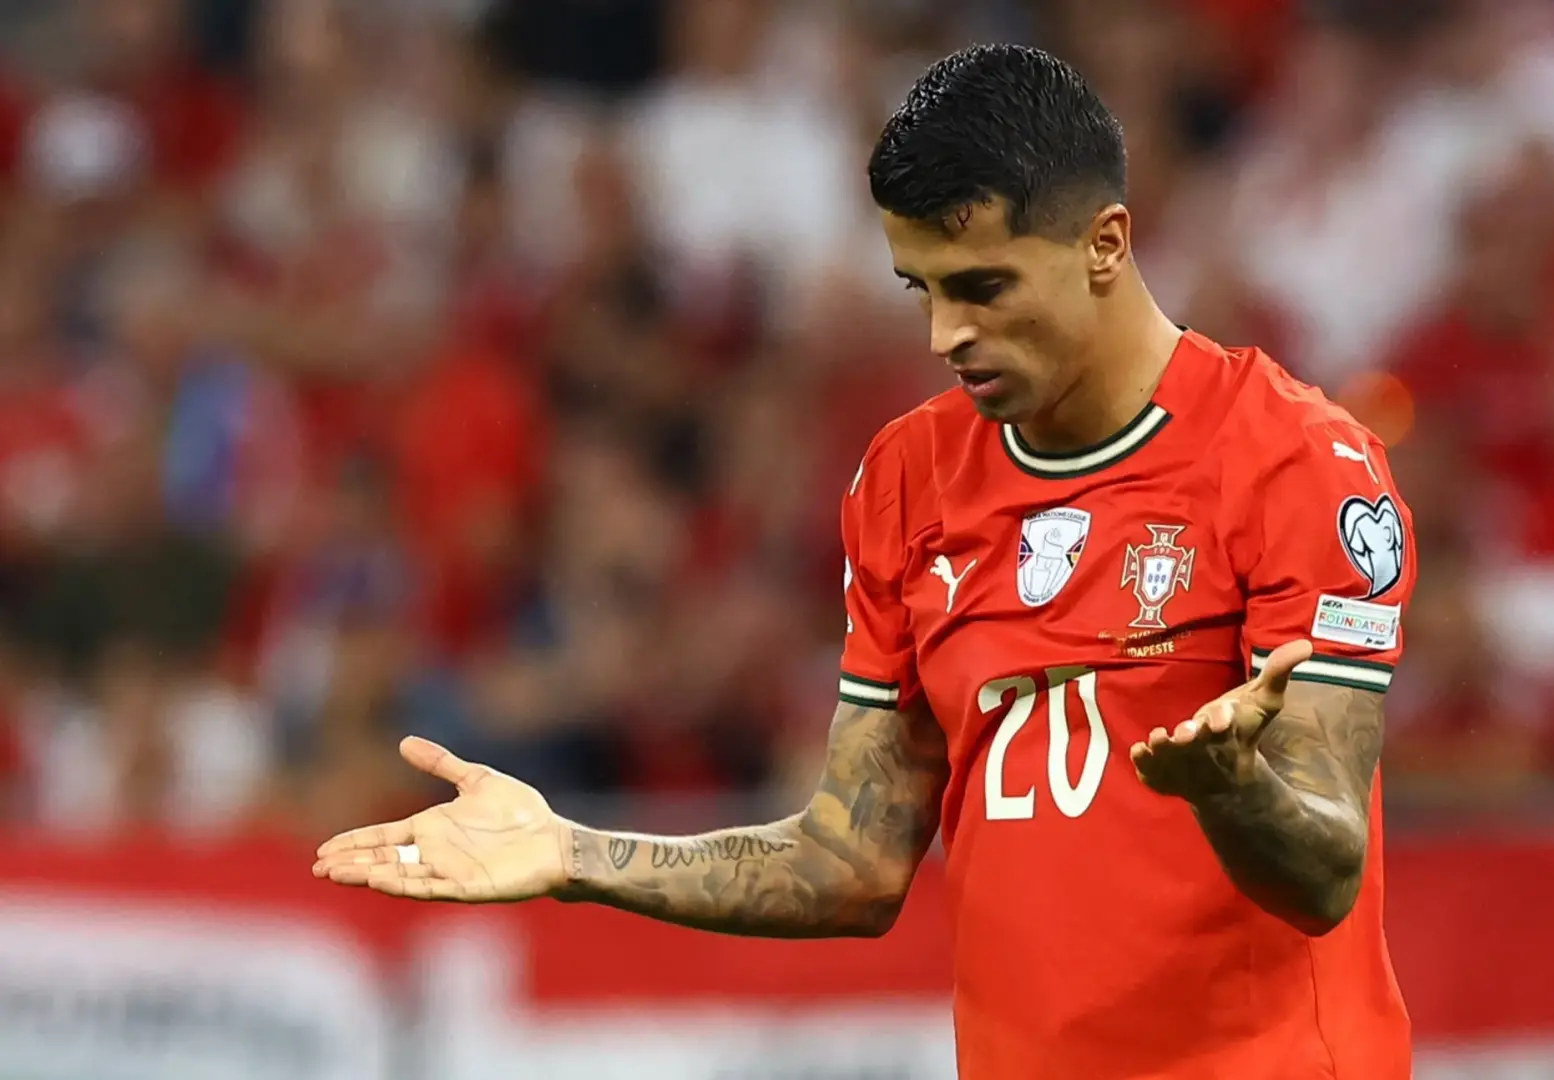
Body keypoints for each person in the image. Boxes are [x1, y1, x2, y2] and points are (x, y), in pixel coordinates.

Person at [313, 43, 1416, 1080]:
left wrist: (1234, 789)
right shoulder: (909, 478)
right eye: (921, 289)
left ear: (1105, 244)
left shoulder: (1297, 462)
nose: (945, 335)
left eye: (981, 287)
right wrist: (573, 855)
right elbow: (850, 860)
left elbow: (1327, 868)